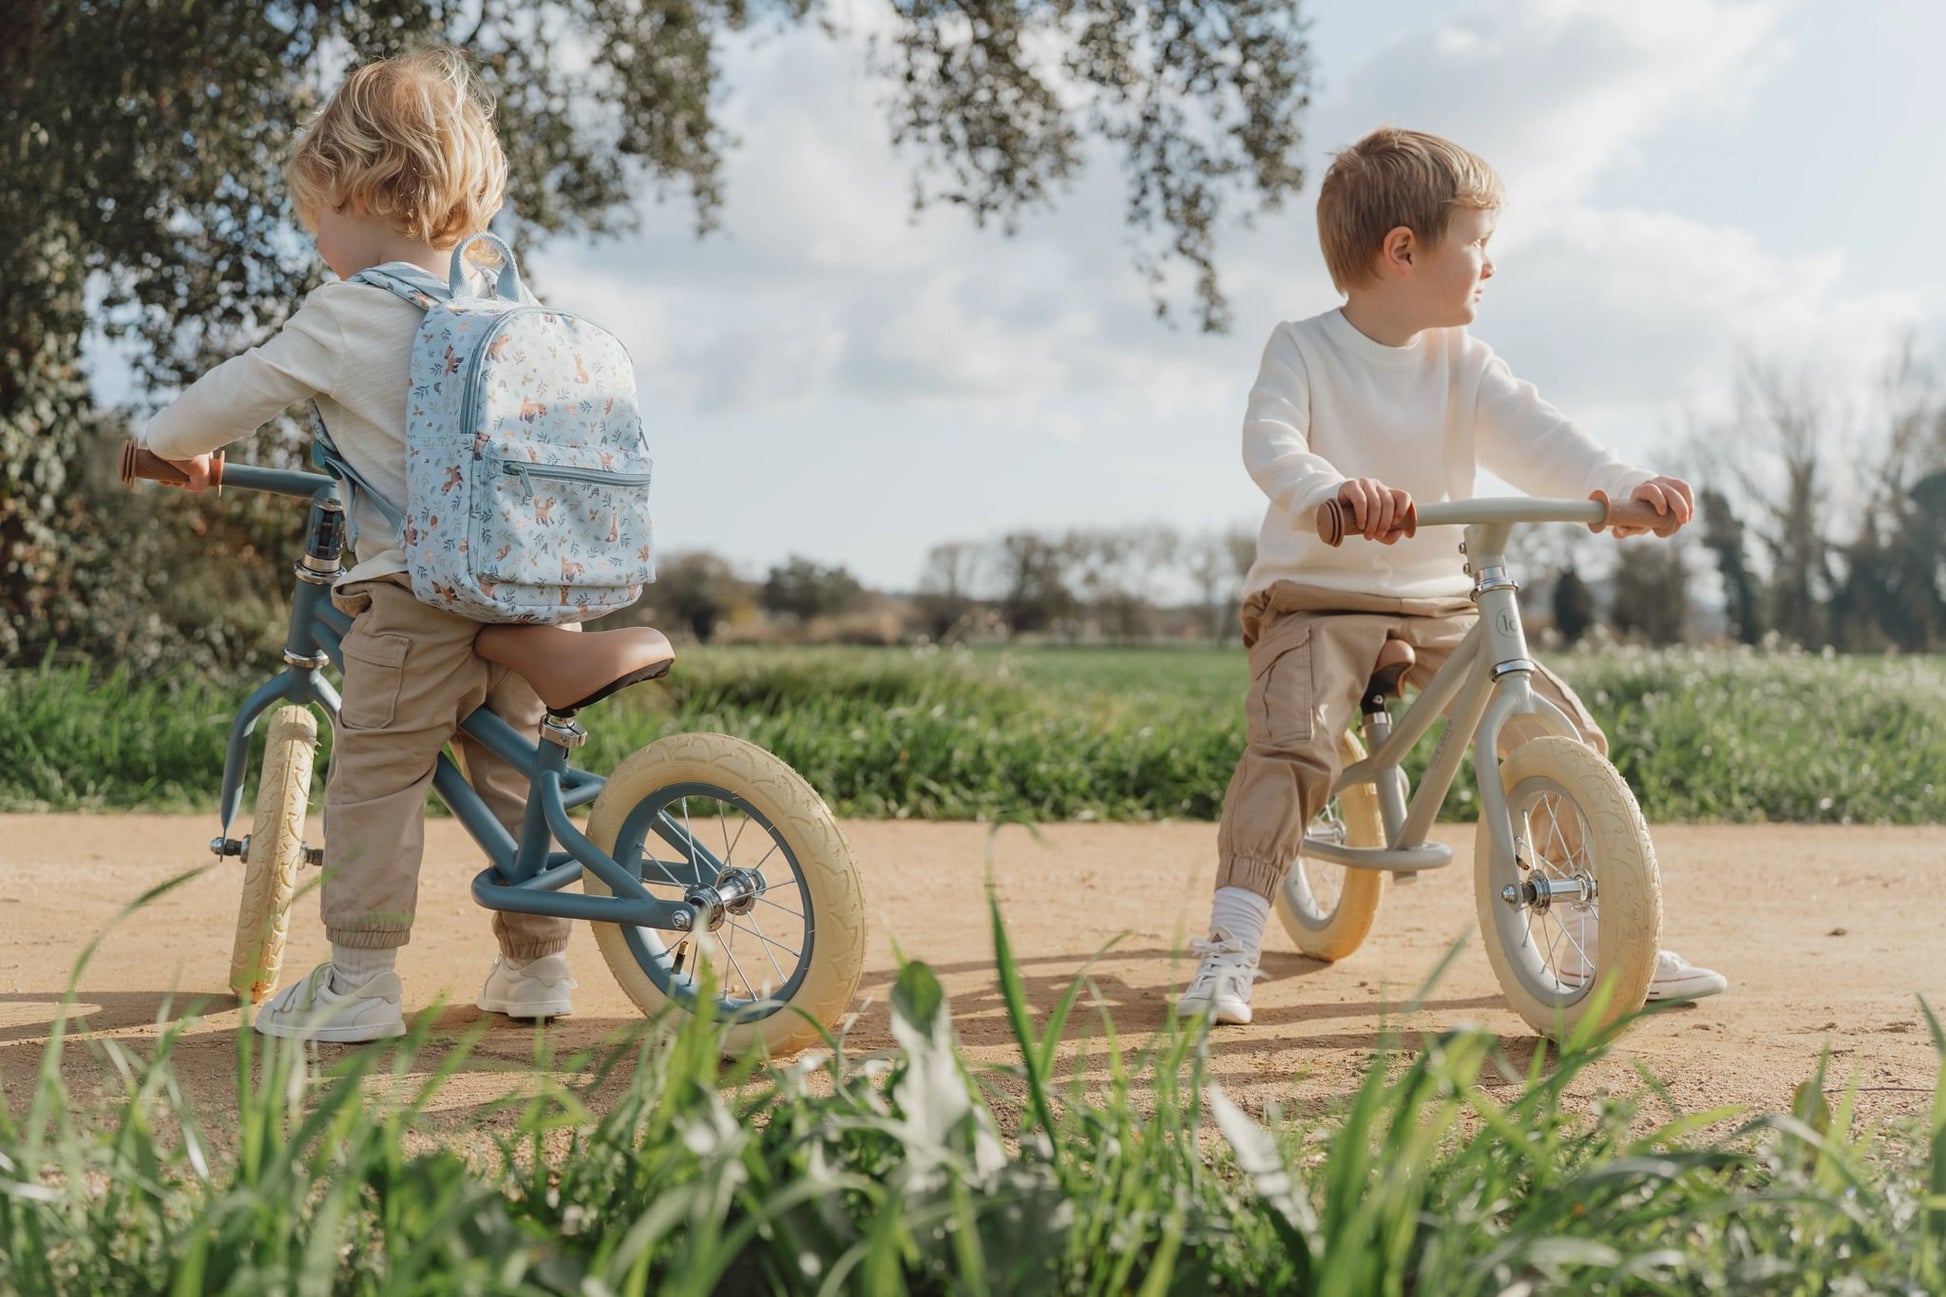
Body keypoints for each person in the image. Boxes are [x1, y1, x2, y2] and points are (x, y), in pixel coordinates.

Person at [1175, 126, 1728, 1026]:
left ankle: (1597, 931)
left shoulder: (1462, 364)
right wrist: (1329, 490)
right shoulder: (1304, 349)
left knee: (1553, 724)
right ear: (1404, 251)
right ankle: (1232, 940)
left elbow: (1544, 440)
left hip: (1438, 595)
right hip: (1320, 596)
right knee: (1295, 741)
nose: (1490, 266)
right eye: (1479, 244)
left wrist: (1621, 486)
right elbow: (1270, 441)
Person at [145, 47, 576, 1042]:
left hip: (417, 598)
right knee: (514, 775)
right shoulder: (503, 308)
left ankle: (361, 979)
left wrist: (166, 448)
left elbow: (240, 390)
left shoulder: (350, 312)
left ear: (357, 189)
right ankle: (536, 967)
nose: (318, 245)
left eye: (317, 222)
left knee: (377, 773)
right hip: (532, 595)